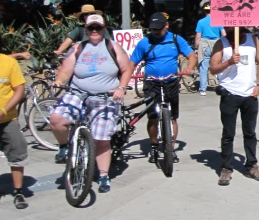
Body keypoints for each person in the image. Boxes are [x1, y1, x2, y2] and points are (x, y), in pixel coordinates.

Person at [50, 15, 133, 193]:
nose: (94, 31)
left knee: (101, 138)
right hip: (78, 93)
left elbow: (127, 69)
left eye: (98, 28)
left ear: (104, 29)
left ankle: (103, 175)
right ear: (85, 30)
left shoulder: (113, 47)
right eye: (91, 28)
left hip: (105, 96)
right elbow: (65, 70)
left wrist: (122, 87)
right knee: (57, 119)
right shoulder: (78, 48)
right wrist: (59, 81)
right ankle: (64, 147)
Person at [130, 12, 197, 164]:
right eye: (153, 29)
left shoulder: (175, 39)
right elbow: (132, 63)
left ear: (166, 25)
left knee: (172, 116)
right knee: (152, 117)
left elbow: (191, 55)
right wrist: (124, 80)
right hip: (151, 83)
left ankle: (171, 147)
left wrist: (190, 67)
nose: (155, 32)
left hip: (171, 82)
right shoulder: (144, 42)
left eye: (158, 29)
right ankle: (154, 146)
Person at [209, 26, 259, 185]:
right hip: (230, 93)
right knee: (228, 133)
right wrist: (228, 62)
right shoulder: (221, 43)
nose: (231, 30)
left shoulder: (253, 40)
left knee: (250, 132)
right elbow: (213, 69)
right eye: (228, 27)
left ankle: (251, 165)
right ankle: (226, 168)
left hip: (250, 94)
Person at [0, 25, 29, 210]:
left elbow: (19, 90)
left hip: (7, 119)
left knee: (17, 153)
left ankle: (18, 191)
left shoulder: (8, 63)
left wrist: (3, 111)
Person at [194, 3, 225, 96]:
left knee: (203, 67)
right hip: (217, 44)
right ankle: (222, 85)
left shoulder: (201, 22)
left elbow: (198, 36)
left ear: (204, 11)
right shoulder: (218, 20)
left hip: (205, 44)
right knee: (218, 65)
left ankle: (203, 89)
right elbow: (223, 34)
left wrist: (196, 48)